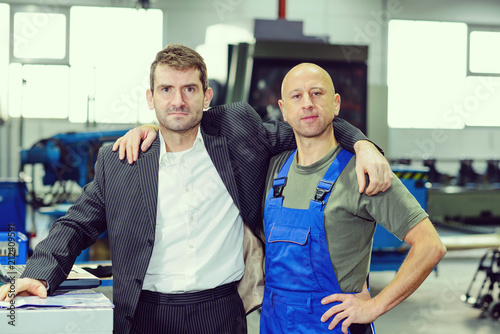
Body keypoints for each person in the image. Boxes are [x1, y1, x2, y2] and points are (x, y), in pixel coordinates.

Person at [0, 45, 392, 334]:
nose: (178, 100)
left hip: (219, 310)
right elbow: (77, 224)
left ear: (206, 96)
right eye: (166, 90)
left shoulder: (239, 133)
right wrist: (39, 273)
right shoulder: (120, 160)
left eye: (189, 89)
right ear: (150, 99)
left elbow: (308, 123)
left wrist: (362, 144)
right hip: (143, 314)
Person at [258, 63, 446, 334]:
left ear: (336, 104)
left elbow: (430, 246)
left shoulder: (365, 171)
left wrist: (375, 307)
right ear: (283, 109)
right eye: (296, 96)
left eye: (317, 93)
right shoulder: (273, 169)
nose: (307, 103)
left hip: (336, 326)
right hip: (274, 325)